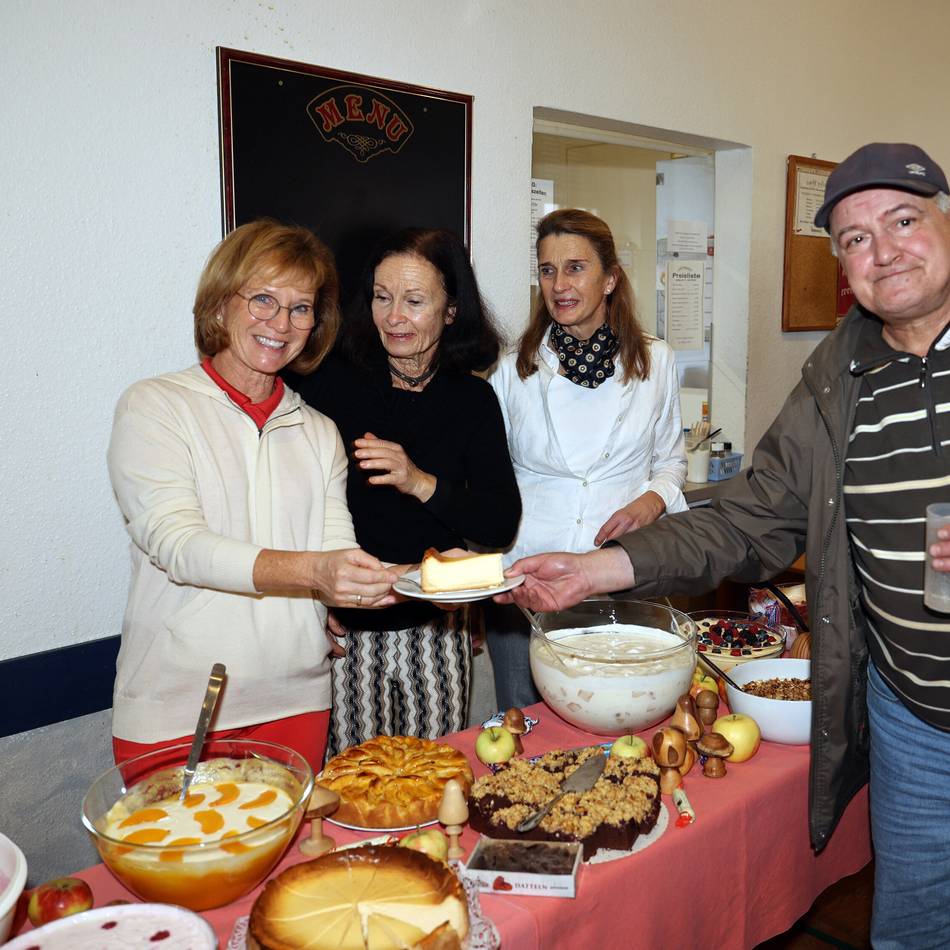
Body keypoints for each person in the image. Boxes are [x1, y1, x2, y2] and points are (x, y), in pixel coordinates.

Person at [500, 143, 950, 948]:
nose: (881, 252)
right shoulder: (837, 375)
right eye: (853, 239)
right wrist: (600, 568)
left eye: (904, 220)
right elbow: (751, 517)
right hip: (913, 715)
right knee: (912, 932)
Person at [107, 220, 399, 772]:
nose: (280, 323)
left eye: (300, 308)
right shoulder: (155, 407)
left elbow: (336, 556)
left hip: (297, 702)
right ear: (220, 306)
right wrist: (315, 574)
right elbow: (180, 546)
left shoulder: (317, 431)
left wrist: (433, 577)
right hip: (177, 706)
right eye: (263, 299)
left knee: (291, 861)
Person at [288, 228, 520, 756]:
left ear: (451, 310)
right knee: (353, 781)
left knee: (436, 777)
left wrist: (420, 482)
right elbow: (288, 501)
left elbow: (498, 521)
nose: (394, 317)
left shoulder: (472, 400)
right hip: (349, 630)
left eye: (414, 302)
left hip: (436, 629)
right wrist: (305, 601)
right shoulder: (330, 383)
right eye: (382, 297)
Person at [485, 208, 687, 709]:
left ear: (610, 278)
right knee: (523, 727)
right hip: (527, 583)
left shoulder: (655, 361)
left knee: (622, 715)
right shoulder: (513, 371)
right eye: (547, 270)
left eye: (575, 267)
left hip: (621, 580)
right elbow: (489, 484)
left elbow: (672, 461)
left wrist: (652, 501)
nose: (559, 284)